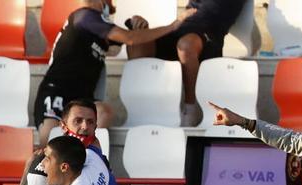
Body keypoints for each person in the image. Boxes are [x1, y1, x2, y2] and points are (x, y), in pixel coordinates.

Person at [34, 0, 196, 144]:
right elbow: (130, 38)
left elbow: (135, 42)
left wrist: (140, 25)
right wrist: (173, 26)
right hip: (57, 91)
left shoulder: (100, 29)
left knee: (104, 112)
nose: (114, 4)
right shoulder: (86, 16)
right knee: (49, 142)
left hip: (83, 99)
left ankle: (82, 161)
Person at [146, 0, 245, 126]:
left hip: (209, 33)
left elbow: (212, 13)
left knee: (186, 45)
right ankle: (145, 106)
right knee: (139, 41)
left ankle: (191, 107)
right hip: (181, 28)